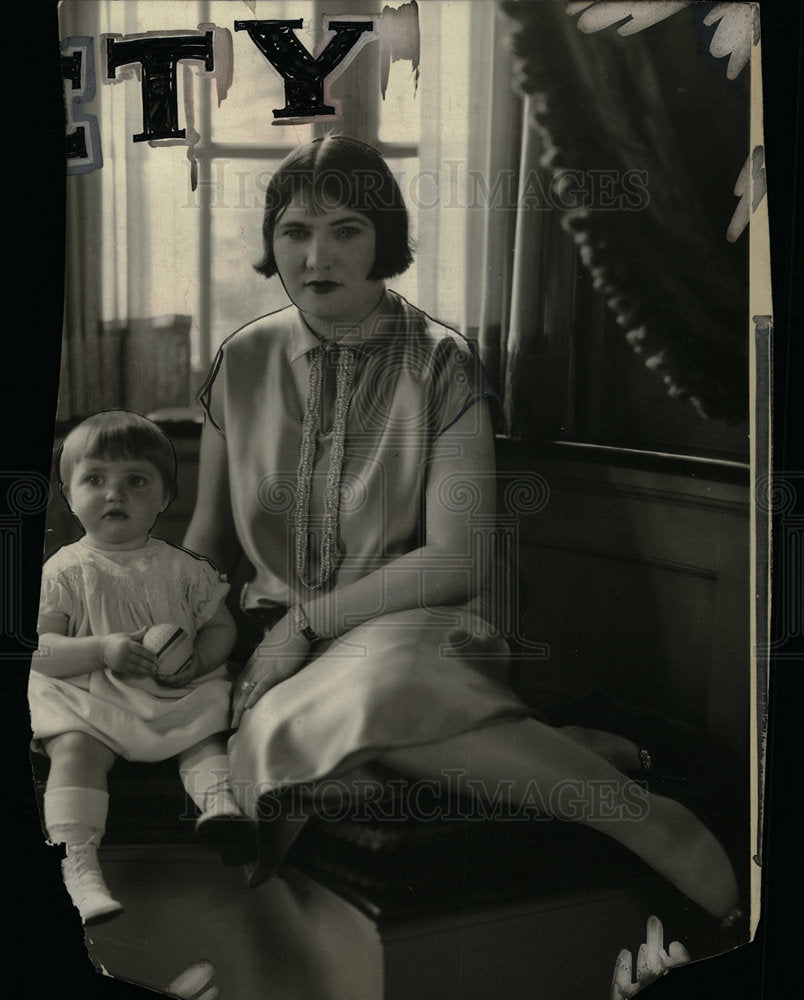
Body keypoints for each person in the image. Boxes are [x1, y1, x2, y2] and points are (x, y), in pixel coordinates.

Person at [184, 135, 740, 924]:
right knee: (306, 737)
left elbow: (453, 562)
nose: (317, 255)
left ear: (384, 238)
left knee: (375, 690)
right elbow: (206, 539)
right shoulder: (240, 361)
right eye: (295, 232)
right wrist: (157, 621)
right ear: (273, 244)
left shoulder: (442, 362)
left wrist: (307, 624)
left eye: (346, 229)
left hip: (424, 624)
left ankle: (654, 823)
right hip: (284, 641)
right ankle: (584, 754)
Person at [30, 410, 252, 926]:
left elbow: (220, 628)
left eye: (136, 481)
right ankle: (76, 866)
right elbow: (38, 649)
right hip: (91, 691)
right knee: (75, 749)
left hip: (171, 687)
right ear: (68, 495)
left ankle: (220, 808)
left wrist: (200, 659)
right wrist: (102, 649)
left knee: (207, 729)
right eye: (95, 480)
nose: (115, 494)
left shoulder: (184, 567)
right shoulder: (65, 570)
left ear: (165, 497)